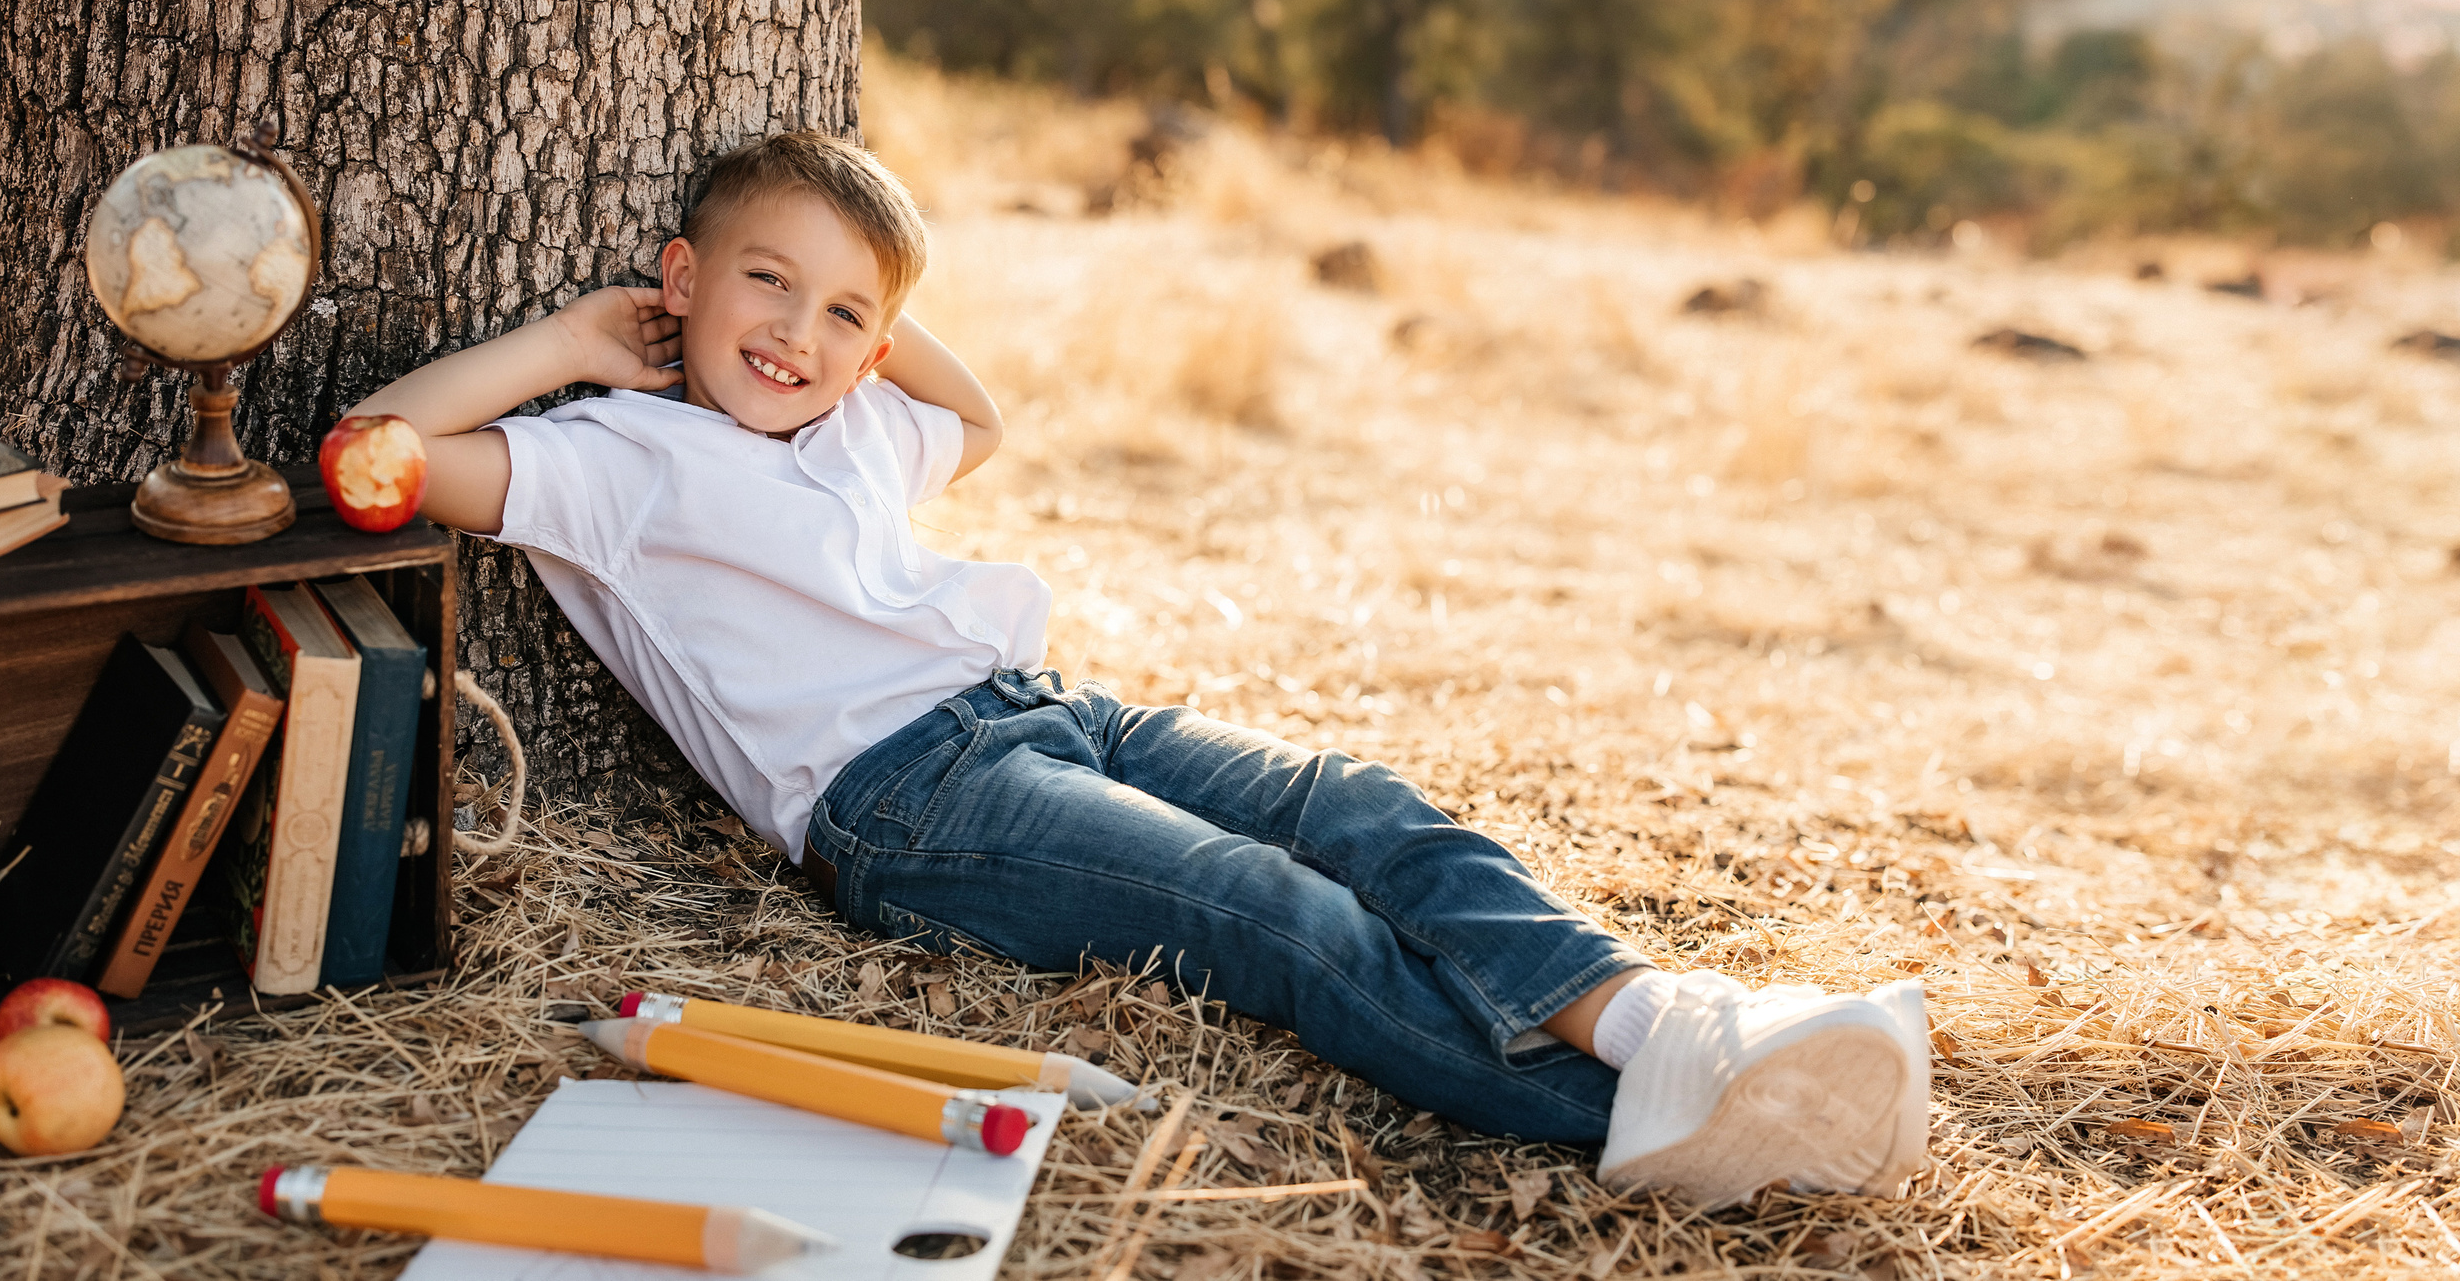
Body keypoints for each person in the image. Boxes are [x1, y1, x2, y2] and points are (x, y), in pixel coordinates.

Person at [352, 129, 1931, 1206]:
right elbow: (384, 458)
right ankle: (1650, 1125)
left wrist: (877, 328)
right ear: (682, 277)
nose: (800, 336)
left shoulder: (854, 426)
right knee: (1273, 911)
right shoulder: (623, 461)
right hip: (903, 803)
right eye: (765, 282)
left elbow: (979, 422)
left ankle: (1656, 1025)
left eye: (845, 313)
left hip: (1045, 716)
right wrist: (570, 343)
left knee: (1349, 803)